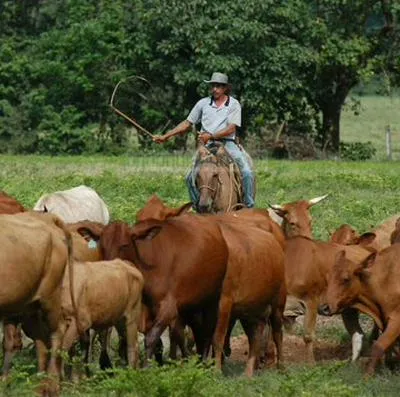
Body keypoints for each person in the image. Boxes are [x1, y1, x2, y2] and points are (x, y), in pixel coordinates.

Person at [152, 72, 255, 209]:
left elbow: (231, 129)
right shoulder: (203, 103)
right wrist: (166, 136)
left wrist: (211, 136)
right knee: (190, 177)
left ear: (225, 88)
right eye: (213, 86)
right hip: (206, 146)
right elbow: (187, 123)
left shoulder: (234, 104)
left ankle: (248, 205)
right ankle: (198, 205)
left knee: (247, 172)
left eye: (218, 86)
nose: (215, 89)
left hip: (228, 143)